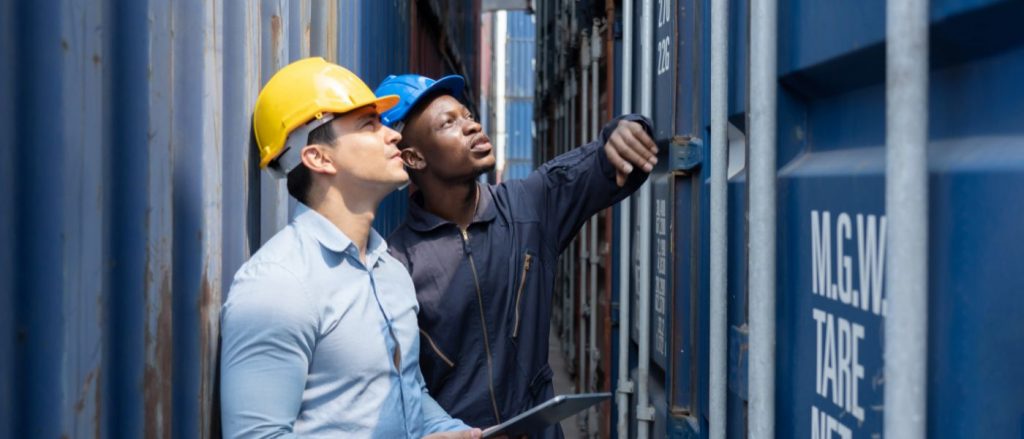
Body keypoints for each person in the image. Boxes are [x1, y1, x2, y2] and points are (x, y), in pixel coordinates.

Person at [374, 73, 657, 437]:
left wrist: (629, 128)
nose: (472, 126)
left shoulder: (528, 206)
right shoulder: (397, 263)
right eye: (449, 123)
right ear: (413, 158)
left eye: (468, 114)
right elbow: (399, 387)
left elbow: (603, 163)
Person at [220, 58, 481, 439]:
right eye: (368, 125)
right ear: (318, 157)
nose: (391, 134)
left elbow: (409, 393)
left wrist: (455, 431)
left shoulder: (391, 272)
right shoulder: (278, 285)